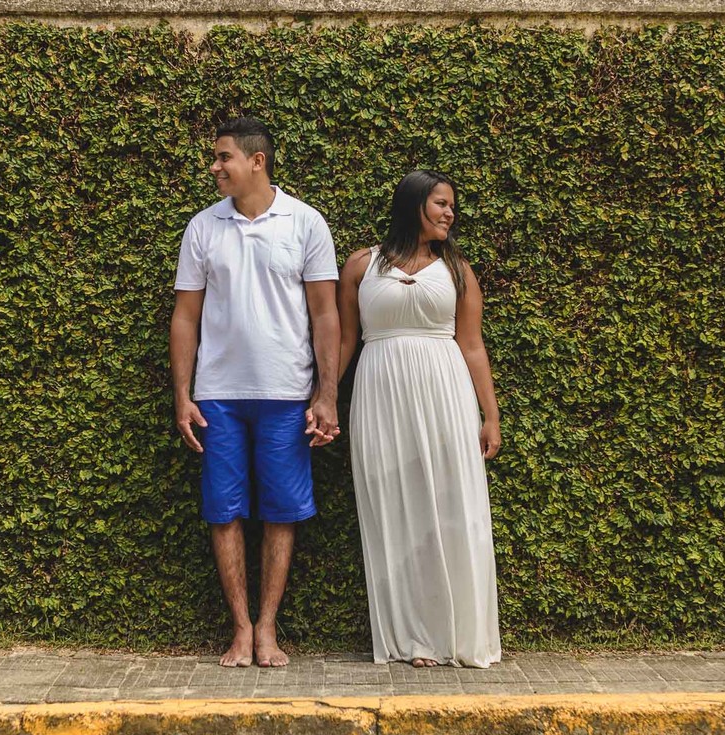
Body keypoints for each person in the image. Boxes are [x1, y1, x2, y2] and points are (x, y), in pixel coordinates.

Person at [170, 117, 340, 668]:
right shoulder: (202, 228)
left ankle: (268, 628)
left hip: (287, 392)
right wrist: (183, 393)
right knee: (224, 512)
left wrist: (326, 394)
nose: (215, 167)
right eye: (216, 158)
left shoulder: (306, 223)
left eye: (223, 158)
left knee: (282, 512)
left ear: (256, 161)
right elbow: (185, 318)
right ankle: (240, 629)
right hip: (218, 392)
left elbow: (325, 315)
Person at [336, 170, 502, 668]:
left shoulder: (458, 270)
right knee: (393, 509)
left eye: (452, 206)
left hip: (446, 393)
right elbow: (345, 340)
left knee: (451, 508)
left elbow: (471, 345)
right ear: (414, 205)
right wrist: (322, 396)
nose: (450, 213)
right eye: (441, 204)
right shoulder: (361, 265)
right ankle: (412, 636)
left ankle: (453, 633)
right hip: (380, 393)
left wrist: (490, 416)